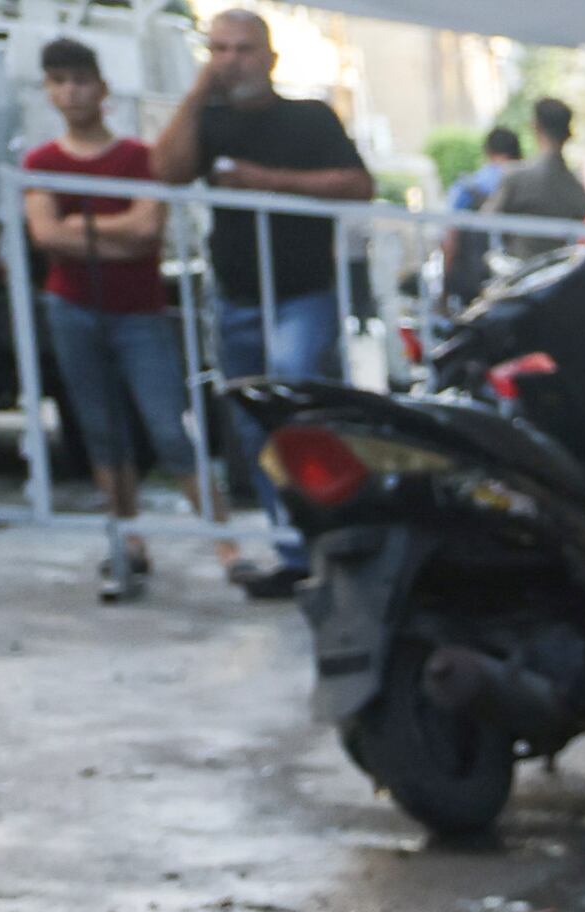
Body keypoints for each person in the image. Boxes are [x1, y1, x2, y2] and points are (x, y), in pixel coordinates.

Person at [150, 6, 367, 599]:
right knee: (254, 428)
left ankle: (335, 539)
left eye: (242, 49)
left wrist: (265, 181)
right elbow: (165, 170)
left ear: (268, 57)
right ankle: (292, 547)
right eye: (217, 49)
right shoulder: (210, 119)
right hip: (238, 296)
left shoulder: (309, 117)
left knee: (293, 401)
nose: (230, 61)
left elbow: (356, 183)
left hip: (301, 294)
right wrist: (197, 92)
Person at [24, 39, 205, 599]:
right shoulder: (41, 162)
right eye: (58, 80)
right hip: (73, 307)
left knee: (169, 429)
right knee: (102, 434)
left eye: (80, 79)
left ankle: (224, 543)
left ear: (102, 88)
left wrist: (79, 230)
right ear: (48, 91)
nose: (70, 91)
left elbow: (148, 231)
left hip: (139, 311)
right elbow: (45, 235)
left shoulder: (138, 158)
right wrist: (111, 230)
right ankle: (125, 541)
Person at [441, 123, 517, 312]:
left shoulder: (468, 186)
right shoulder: (530, 185)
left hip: (474, 284)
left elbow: (450, 240)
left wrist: (444, 292)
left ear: (488, 152)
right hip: (519, 280)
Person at [485, 93, 581, 241]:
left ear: (535, 126)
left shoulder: (516, 178)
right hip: (564, 263)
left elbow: (484, 220)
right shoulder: (576, 188)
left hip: (524, 262)